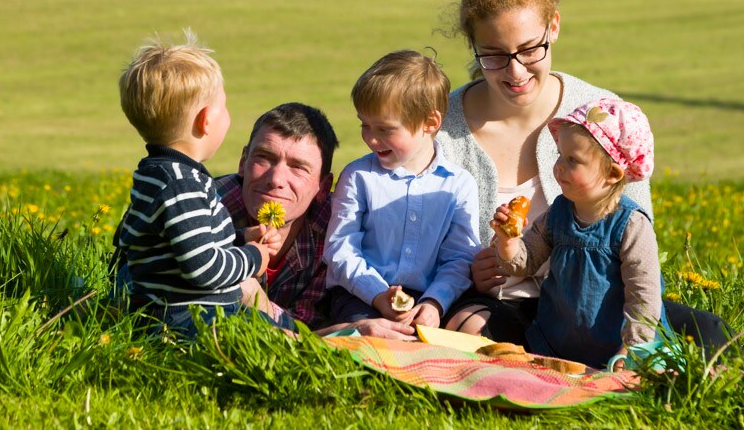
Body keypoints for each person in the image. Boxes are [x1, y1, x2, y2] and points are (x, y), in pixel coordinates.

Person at [438, 0, 732, 355]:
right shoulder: (441, 129)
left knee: (710, 331)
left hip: (600, 307)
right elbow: (423, 243)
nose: (516, 71)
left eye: (529, 50)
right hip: (500, 304)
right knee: (469, 329)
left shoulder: (601, 113)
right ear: (472, 46)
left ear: (553, 27)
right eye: (493, 55)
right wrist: (472, 269)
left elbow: (634, 231)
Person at [112, 31, 284, 335]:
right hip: (188, 318)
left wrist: (241, 236)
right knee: (283, 340)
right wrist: (254, 256)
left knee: (283, 330)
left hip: (176, 310)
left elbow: (183, 242)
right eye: (225, 106)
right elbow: (203, 267)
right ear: (206, 120)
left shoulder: (160, 174)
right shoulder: (180, 184)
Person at [492, 98, 671, 369]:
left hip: (616, 348)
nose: (559, 167)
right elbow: (525, 262)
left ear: (612, 173)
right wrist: (508, 241)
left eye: (573, 160)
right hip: (557, 342)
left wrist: (633, 348)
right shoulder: (559, 213)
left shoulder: (631, 225)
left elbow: (643, 294)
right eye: (559, 156)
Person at [216, 102, 416, 340]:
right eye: (264, 158)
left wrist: (256, 301)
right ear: (243, 162)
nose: (276, 179)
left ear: (322, 187)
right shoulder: (206, 207)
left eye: (298, 167)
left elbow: (306, 325)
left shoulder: (337, 232)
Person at [324, 50, 481, 329]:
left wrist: (435, 303)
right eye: (365, 124)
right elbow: (340, 249)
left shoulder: (458, 184)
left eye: (385, 129)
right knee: (374, 345)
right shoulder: (358, 176)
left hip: (429, 300)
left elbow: (460, 258)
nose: (371, 139)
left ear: (430, 123)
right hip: (360, 295)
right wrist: (377, 294)